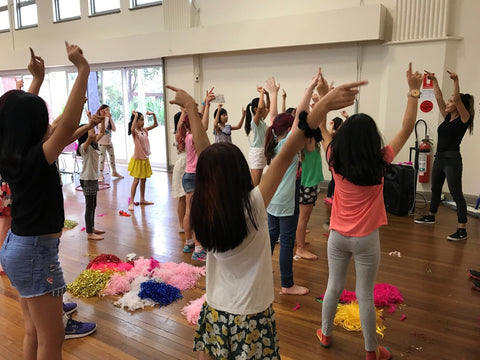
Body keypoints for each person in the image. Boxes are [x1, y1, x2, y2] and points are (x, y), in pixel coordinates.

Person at [166, 73, 362, 360]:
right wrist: (324, 105)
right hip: (252, 315)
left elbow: (208, 158)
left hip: (217, 308)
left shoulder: (204, 209)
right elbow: (294, 142)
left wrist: (192, 110)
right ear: (240, 173)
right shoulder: (253, 205)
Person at [314, 64, 421, 360]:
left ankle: (325, 334)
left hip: (337, 237)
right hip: (366, 240)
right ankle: (372, 351)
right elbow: (407, 128)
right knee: (364, 295)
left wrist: (325, 95)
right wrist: (414, 90)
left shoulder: (334, 156)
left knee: (333, 287)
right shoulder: (381, 159)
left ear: (344, 138)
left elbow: (322, 127)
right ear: (372, 139)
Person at [0, 42, 92, 360]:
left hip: (17, 249)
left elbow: (19, 116)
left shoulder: (14, 154)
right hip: (37, 255)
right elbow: (68, 122)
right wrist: (82, 69)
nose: (49, 123)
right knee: (53, 339)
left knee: (34, 332)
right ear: (34, 127)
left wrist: (36, 81)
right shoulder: (37, 158)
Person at [264, 72, 324, 295]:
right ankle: (287, 284)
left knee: (270, 238)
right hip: (286, 202)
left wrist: (273, 94)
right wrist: (309, 88)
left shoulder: (273, 142)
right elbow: (299, 114)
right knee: (286, 242)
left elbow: (274, 117)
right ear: (290, 130)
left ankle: (259, 271)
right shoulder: (287, 147)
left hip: (272, 201)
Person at [414, 70, 474, 241]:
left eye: (451, 101)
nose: (448, 102)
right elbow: (439, 97)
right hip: (440, 158)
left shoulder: (464, 118)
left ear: (458, 104)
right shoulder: (447, 117)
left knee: (456, 193)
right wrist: (434, 81)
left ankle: (462, 229)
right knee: (435, 189)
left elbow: (455, 98)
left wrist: (456, 80)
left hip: (452, 160)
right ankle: (431, 215)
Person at [176, 90, 214, 261]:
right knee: (197, 212)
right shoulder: (194, 137)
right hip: (195, 176)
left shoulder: (186, 135)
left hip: (188, 176)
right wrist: (206, 104)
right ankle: (199, 248)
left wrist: (205, 104)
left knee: (189, 212)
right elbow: (204, 127)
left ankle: (189, 242)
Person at [76, 113, 106, 240]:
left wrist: (103, 120)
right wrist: (90, 121)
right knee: (89, 206)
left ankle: (92, 228)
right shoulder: (84, 147)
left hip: (92, 178)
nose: (94, 134)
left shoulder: (93, 145)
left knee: (93, 205)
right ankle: (89, 233)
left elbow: (102, 132)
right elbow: (92, 135)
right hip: (87, 179)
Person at [127, 110, 158, 211]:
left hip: (145, 158)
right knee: (136, 181)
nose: (142, 122)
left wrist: (153, 114)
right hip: (138, 159)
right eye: (140, 120)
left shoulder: (144, 130)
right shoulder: (135, 132)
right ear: (136, 121)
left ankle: (142, 199)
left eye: (143, 119)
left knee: (144, 180)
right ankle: (131, 202)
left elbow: (155, 124)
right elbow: (132, 128)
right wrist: (135, 116)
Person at [244, 86, 270, 186]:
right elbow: (260, 107)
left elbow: (269, 107)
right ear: (255, 109)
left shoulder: (261, 120)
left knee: (256, 182)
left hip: (261, 151)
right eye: (262, 108)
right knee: (255, 183)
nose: (265, 109)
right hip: (256, 153)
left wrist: (267, 94)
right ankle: (251, 201)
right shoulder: (255, 121)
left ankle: (252, 200)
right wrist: (261, 93)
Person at [96, 104, 124, 182]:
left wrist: (110, 118)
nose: (107, 112)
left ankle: (114, 172)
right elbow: (104, 127)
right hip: (101, 142)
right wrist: (107, 117)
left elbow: (114, 129)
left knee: (112, 157)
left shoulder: (108, 119)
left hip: (109, 142)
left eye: (108, 110)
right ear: (101, 111)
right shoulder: (99, 120)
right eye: (106, 110)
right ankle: (100, 175)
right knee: (102, 158)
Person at [171, 110, 187, 234]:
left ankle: (187, 223)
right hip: (182, 165)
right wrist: (184, 111)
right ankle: (182, 224)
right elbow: (179, 126)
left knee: (190, 198)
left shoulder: (189, 134)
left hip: (189, 165)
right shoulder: (178, 134)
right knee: (182, 197)